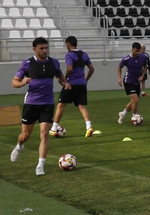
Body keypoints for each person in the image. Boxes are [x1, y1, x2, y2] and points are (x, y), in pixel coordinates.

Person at [10, 36, 67, 176]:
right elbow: (14, 82)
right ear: (34, 49)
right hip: (31, 104)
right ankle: (19, 146)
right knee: (25, 135)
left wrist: (64, 83)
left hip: (47, 104)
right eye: (41, 48)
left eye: (46, 48)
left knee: (44, 134)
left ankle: (40, 165)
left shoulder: (54, 62)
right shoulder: (27, 64)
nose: (44, 51)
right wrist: (23, 82)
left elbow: (59, 77)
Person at [51, 36, 98, 138]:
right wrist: (86, 79)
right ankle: (88, 127)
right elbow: (92, 68)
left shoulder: (69, 55)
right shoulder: (84, 54)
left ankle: (54, 128)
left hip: (71, 84)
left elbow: (70, 68)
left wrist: (65, 78)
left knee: (61, 105)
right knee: (81, 106)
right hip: (81, 84)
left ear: (68, 44)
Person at [118, 42, 148, 123]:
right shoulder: (126, 59)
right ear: (132, 49)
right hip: (128, 81)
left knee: (133, 102)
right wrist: (120, 78)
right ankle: (134, 116)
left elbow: (145, 66)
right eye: (136, 51)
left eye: (139, 51)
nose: (138, 53)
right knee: (136, 100)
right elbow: (119, 67)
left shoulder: (143, 57)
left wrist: (142, 76)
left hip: (136, 81)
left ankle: (123, 114)